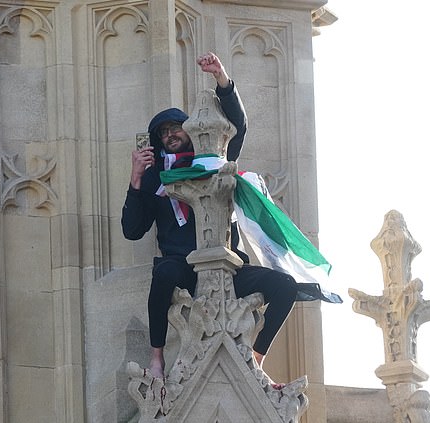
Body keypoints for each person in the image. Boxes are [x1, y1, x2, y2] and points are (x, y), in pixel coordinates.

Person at [121, 52, 299, 383]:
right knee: (161, 276)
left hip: (228, 267)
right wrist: (135, 182)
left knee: (286, 287)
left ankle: (255, 359)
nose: (170, 135)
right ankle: (156, 359)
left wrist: (222, 80)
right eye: (163, 134)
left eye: (176, 128)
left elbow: (238, 126)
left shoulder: (212, 162)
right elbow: (132, 230)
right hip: (182, 265)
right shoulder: (155, 178)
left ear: (189, 131)